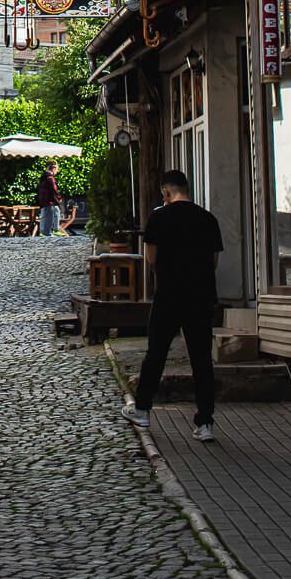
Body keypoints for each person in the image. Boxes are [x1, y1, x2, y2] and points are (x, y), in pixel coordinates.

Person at [122, 169, 223, 443]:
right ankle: (205, 423)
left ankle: (142, 409)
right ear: (186, 189)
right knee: (201, 358)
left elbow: (151, 258)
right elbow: (214, 262)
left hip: (168, 296)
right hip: (201, 297)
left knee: (156, 354)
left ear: (166, 192)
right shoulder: (208, 219)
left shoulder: (158, 217)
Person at [36, 161, 63, 237]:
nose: (57, 171)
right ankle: (48, 233)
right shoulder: (50, 178)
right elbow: (54, 190)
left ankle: (44, 231)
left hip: (43, 200)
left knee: (45, 216)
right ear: (53, 169)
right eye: (56, 169)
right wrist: (59, 198)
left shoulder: (43, 178)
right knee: (49, 217)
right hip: (50, 201)